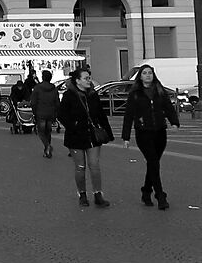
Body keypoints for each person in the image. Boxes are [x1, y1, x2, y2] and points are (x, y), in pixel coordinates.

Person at [119, 64, 180, 210]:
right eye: (145, 73)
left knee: (153, 163)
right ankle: (160, 195)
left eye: (150, 73)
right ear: (140, 76)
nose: (148, 75)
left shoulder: (160, 91)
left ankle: (146, 191)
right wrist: (126, 137)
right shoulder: (135, 94)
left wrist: (174, 122)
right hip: (143, 132)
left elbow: (168, 108)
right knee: (153, 161)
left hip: (159, 131)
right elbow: (128, 116)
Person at [58, 67, 114, 207]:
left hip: (92, 135)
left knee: (94, 166)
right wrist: (73, 125)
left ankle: (98, 194)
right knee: (80, 167)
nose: (89, 80)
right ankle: (82, 194)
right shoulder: (69, 96)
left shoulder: (93, 95)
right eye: (86, 78)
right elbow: (61, 114)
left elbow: (101, 114)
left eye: (89, 77)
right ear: (77, 81)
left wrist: (108, 132)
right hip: (75, 136)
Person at [30, 70, 61, 158]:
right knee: (48, 132)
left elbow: (33, 102)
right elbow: (57, 102)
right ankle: (46, 151)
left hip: (41, 113)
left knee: (41, 132)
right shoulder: (54, 88)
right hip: (51, 113)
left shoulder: (37, 88)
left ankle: (47, 146)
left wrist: (34, 112)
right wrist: (56, 113)